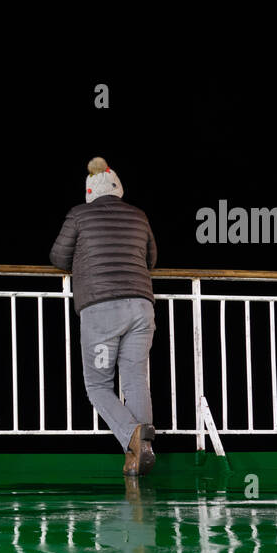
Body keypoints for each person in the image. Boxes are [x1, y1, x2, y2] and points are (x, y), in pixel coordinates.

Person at [49, 157, 158, 475]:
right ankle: (141, 451)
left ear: (89, 191)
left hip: (101, 311)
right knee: (136, 380)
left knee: (97, 385)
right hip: (141, 307)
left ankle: (134, 436)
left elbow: (58, 257)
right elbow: (152, 258)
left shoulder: (79, 215)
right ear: (117, 188)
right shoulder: (139, 216)